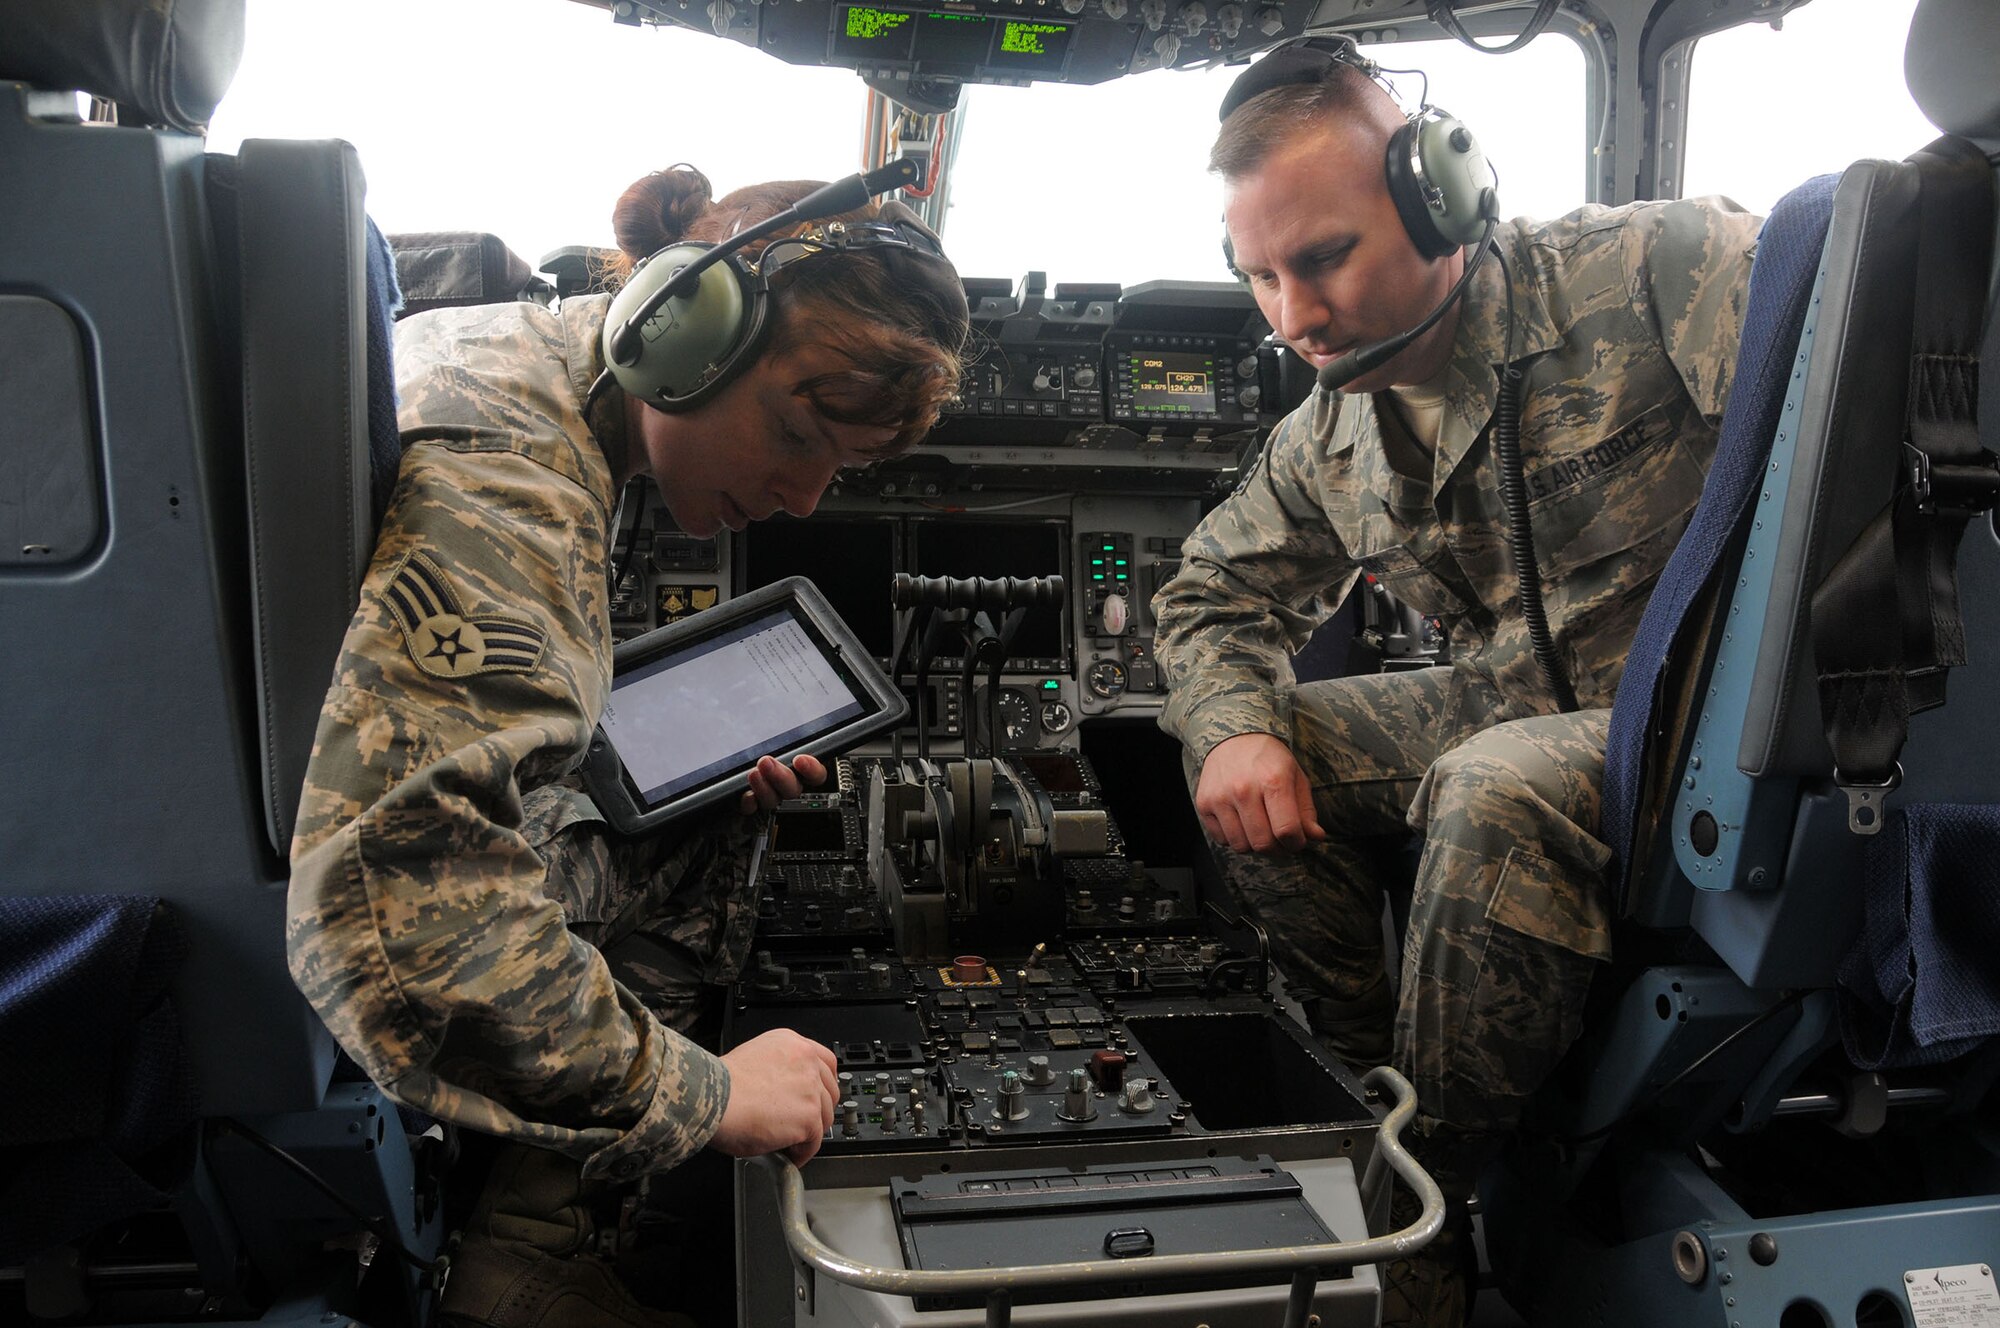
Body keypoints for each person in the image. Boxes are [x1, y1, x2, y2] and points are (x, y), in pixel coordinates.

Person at [286, 163, 969, 1328]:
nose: (805, 496)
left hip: (279, 840)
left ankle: (542, 1213)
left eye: (841, 469)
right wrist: (702, 1093)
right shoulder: (516, 492)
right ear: (682, 330)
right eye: (798, 430)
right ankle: (525, 1260)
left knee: (697, 814)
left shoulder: (514, 352)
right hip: (334, 944)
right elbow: (407, 923)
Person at [1151, 39, 1760, 1326]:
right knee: (1244, 745)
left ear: (1442, 196)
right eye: (1256, 274)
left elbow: (1871, 447)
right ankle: (1373, 1082)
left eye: (1321, 258)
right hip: (1534, 707)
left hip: (1725, 717)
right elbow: (1207, 594)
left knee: (1487, 785)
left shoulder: (1661, 270)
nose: (1292, 317)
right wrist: (1232, 733)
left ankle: (1419, 1225)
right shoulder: (1330, 430)